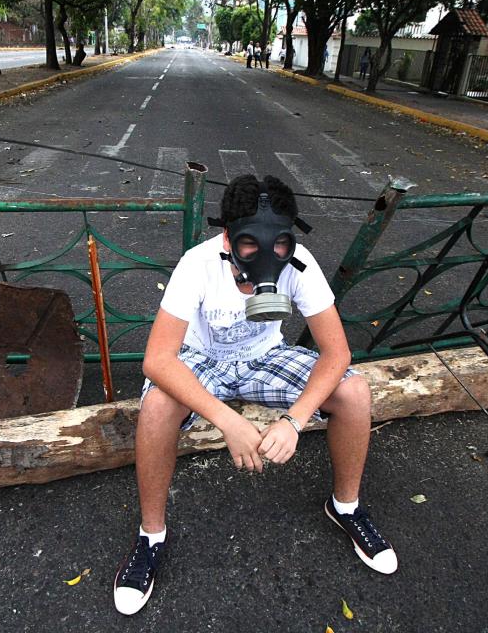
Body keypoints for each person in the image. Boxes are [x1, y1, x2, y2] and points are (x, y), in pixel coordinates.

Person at [113, 175, 397, 616]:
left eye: (280, 245)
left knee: (355, 392)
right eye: (250, 245)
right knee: (156, 405)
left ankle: (346, 506)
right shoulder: (198, 264)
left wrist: (295, 419)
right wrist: (228, 421)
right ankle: (151, 535)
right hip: (202, 359)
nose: (267, 257)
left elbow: (337, 352)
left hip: (265, 358)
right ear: (226, 236)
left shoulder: (300, 263)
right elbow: (158, 360)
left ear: (290, 237)